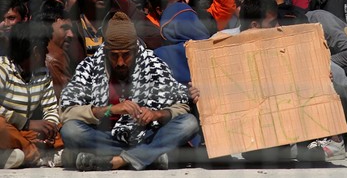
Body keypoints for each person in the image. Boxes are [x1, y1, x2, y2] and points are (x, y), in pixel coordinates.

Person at [59, 12, 199, 171]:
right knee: (70, 131)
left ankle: (117, 160)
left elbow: (181, 107)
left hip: (146, 136)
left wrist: (157, 114)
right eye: (114, 56)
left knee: (189, 123)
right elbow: (66, 112)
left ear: (135, 51)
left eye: (126, 55)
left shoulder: (153, 65)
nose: (120, 63)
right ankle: (149, 157)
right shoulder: (90, 67)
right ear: (106, 52)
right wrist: (109, 110)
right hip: (106, 137)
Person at [0, 22, 62, 169]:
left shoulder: (43, 73)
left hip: (24, 133)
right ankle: (30, 151)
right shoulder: (3, 69)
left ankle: (19, 155)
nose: (47, 53)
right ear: (35, 51)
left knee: (64, 128)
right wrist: (26, 123)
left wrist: (50, 128)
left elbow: (51, 108)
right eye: (44, 49)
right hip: (9, 129)